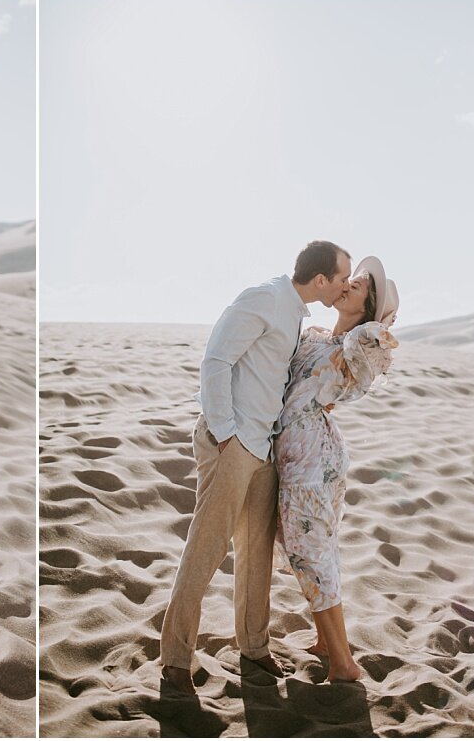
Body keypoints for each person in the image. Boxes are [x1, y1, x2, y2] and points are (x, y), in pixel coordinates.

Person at [159, 241, 353, 696]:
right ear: (320, 279)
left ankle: (253, 648)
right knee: (207, 548)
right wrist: (227, 433)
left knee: (256, 553)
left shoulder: (298, 314)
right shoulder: (263, 298)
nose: (345, 286)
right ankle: (175, 662)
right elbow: (216, 361)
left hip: (262, 448)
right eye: (342, 278)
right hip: (234, 443)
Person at [273, 256, 399, 682]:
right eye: (350, 278)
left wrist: (378, 321)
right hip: (296, 451)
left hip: (312, 456)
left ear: (369, 308)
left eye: (359, 285)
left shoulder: (365, 342)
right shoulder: (319, 337)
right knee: (309, 549)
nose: (348, 284)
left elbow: (369, 355)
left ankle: (343, 664)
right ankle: (327, 643)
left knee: (311, 552)